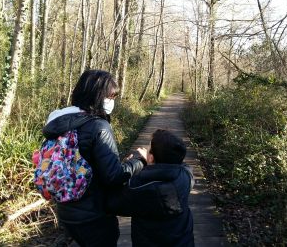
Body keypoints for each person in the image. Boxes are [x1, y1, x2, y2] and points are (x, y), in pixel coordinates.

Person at [42, 70, 146, 246]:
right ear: (96, 95)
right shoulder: (99, 126)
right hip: (94, 215)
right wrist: (139, 161)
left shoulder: (60, 121)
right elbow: (113, 177)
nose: (112, 101)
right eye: (110, 96)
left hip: (67, 210)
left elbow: (84, 161)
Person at [108, 129, 195, 247]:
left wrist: (136, 164)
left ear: (151, 158)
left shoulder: (137, 187)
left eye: (149, 150)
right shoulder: (185, 176)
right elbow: (181, 165)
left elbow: (114, 204)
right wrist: (151, 160)